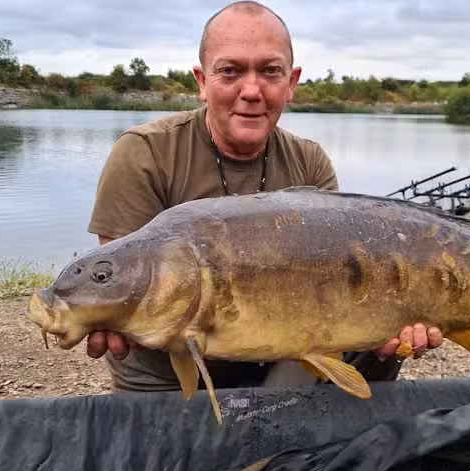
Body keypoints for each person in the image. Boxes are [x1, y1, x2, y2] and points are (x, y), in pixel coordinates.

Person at [84, 0, 444, 394]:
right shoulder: (144, 153)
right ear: (203, 81)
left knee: (381, 346)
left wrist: (397, 316)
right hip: (168, 370)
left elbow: (340, 283)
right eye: (230, 71)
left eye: (270, 71)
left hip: (280, 353)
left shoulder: (310, 161)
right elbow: (119, 277)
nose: (251, 91)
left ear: (291, 83)